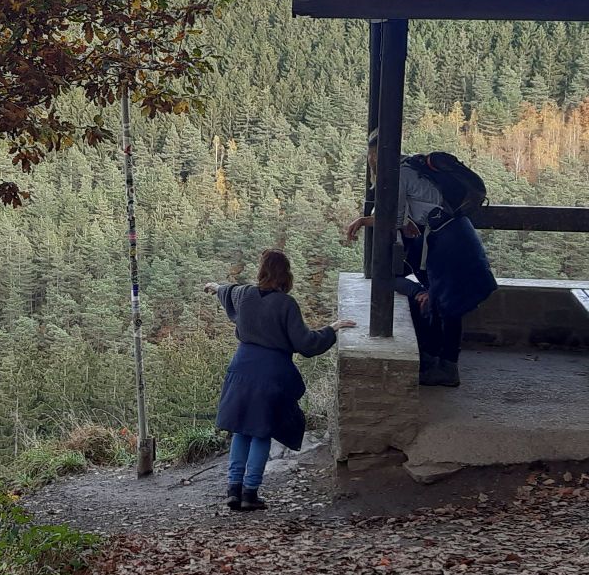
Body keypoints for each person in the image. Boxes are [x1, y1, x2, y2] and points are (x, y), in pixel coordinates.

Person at [343, 134, 498, 387]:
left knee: (449, 305)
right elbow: (408, 215)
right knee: (445, 303)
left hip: (447, 239)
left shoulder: (399, 175)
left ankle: (447, 369)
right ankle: (439, 363)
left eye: (372, 158)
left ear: (376, 157)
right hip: (454, 233)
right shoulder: (412, 166)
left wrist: (362, 221)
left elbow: (393, 220)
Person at [205, 250, 353, 511]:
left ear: (261, 270)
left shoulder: (245, 294)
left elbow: (227, 291)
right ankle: (250, 493)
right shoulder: (286, 304)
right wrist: (332, 329)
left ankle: (233, 489)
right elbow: (306, 343)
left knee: (241, 430)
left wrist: (215, 287)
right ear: (286, 274)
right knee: (262, 431)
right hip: (271, 374)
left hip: (241, 368)